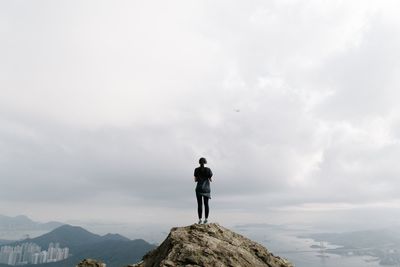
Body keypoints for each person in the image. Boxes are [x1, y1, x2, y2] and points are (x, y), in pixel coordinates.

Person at [194, 157, 213, 224]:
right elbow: (211, 180)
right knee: (206, 204)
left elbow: (195, 180)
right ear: (205, 162)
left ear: (199, 162)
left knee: (199, 204)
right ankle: (206, 219)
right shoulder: (208, 170)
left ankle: (200, 219)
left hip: (199, 188)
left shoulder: (196, 170)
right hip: (206, 189)